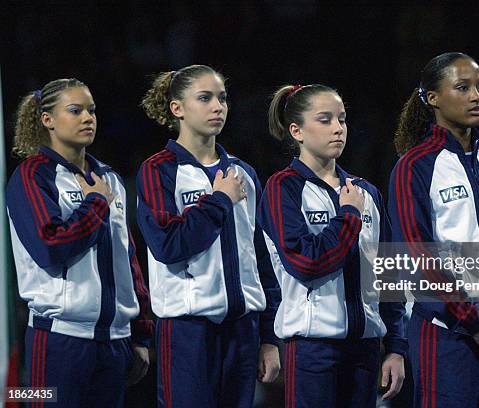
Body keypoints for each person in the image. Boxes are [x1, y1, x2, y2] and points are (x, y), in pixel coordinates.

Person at [138, 64, 281, 408]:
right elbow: (168, 246)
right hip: (188, 331)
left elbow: (259, 259)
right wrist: (218, 201)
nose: (218, 106)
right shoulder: (159, 170)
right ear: (177, 108)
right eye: (204, 98)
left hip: (243, 331)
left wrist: (269, 336)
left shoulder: (243, 172)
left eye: (222, 98)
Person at [6, 78, 153, 407]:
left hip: (115, 342)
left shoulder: (110, 178)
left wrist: (140, 333)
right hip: (59, 339)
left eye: (92, 110)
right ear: (48, 120)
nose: (88, 117)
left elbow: (127, 259)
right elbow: (50, 247)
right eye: (75, 110)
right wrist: (95, 206)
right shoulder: (32, 176)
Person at [259, 84, 407, 408]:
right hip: (313, 350)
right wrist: (348, 217)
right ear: (296, 131)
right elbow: (306, 262)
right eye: (324, 119)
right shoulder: (282, 188)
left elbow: (389, 273)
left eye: (342, 119)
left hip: (367, 350)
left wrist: (396, 346)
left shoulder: (366, 192)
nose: (338, 128)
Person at [388, 52, 479, 407]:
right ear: (432, 98)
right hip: (446, 334)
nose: (476, 96)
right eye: (462, 87)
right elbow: (417, 254)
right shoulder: (413, 167)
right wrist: (474, 322)